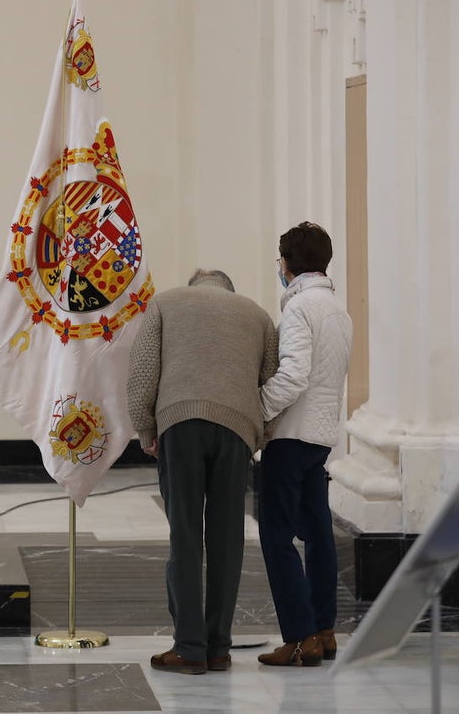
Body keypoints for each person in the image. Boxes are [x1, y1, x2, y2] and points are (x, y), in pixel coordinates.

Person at [128, 268, 279, 674]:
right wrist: (259, 433)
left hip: (179, 422)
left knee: (186, 534)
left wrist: (145, 428)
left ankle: (189, 648)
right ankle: (219, 648)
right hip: (236, 429)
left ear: (196, 285)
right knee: (227, 540)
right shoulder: (257, 315)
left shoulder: (166, 302)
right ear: (230, 289)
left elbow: (143, 370)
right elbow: (272, 382)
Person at [256, 222, 352, 668]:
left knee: (275, 536)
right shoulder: (337, 309)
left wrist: (256, 411)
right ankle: (324, 630)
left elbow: (293, 376)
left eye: (280, 259)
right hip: (321, 437)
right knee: (318, 535)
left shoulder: (299, 310)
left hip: (291, 436)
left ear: (289, 263)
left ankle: (299, 638)